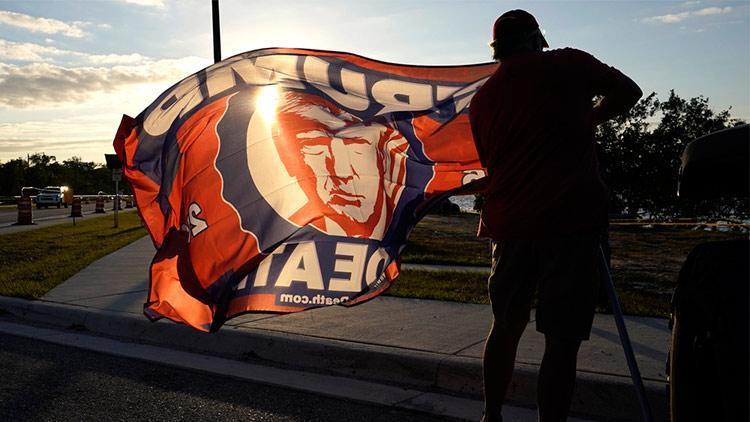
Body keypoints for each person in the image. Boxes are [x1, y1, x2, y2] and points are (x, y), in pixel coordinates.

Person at [469, 9, 642, 422]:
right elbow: (629, 92)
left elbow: (492, 161)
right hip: (571, 225)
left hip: (510, 229)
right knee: (561, 342)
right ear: (536, 40)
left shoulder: (483, 100)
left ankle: (491, 416)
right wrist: (590, 117)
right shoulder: (569, 64)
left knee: (505, 327)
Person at [272, 91, 409, 239]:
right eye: (318, 151)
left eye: (356, 148)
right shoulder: (278, 235)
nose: (341, 173)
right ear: (289, 163)